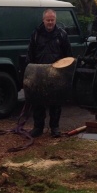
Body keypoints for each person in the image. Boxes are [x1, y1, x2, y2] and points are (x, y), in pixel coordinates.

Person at [25, 8, 72, 137]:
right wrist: (30, 71)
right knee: (37, 102)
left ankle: (55, 128)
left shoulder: (62, 35)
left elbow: (68, 55)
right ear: (43, 20)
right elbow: (30, 53)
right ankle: (38, 128)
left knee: (55, 103)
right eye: (48, 20)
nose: (50, 22)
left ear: (55, 20)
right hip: (39, 73)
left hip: (56, 73)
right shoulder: (36, 34)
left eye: (52, 20)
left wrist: (65, 72)